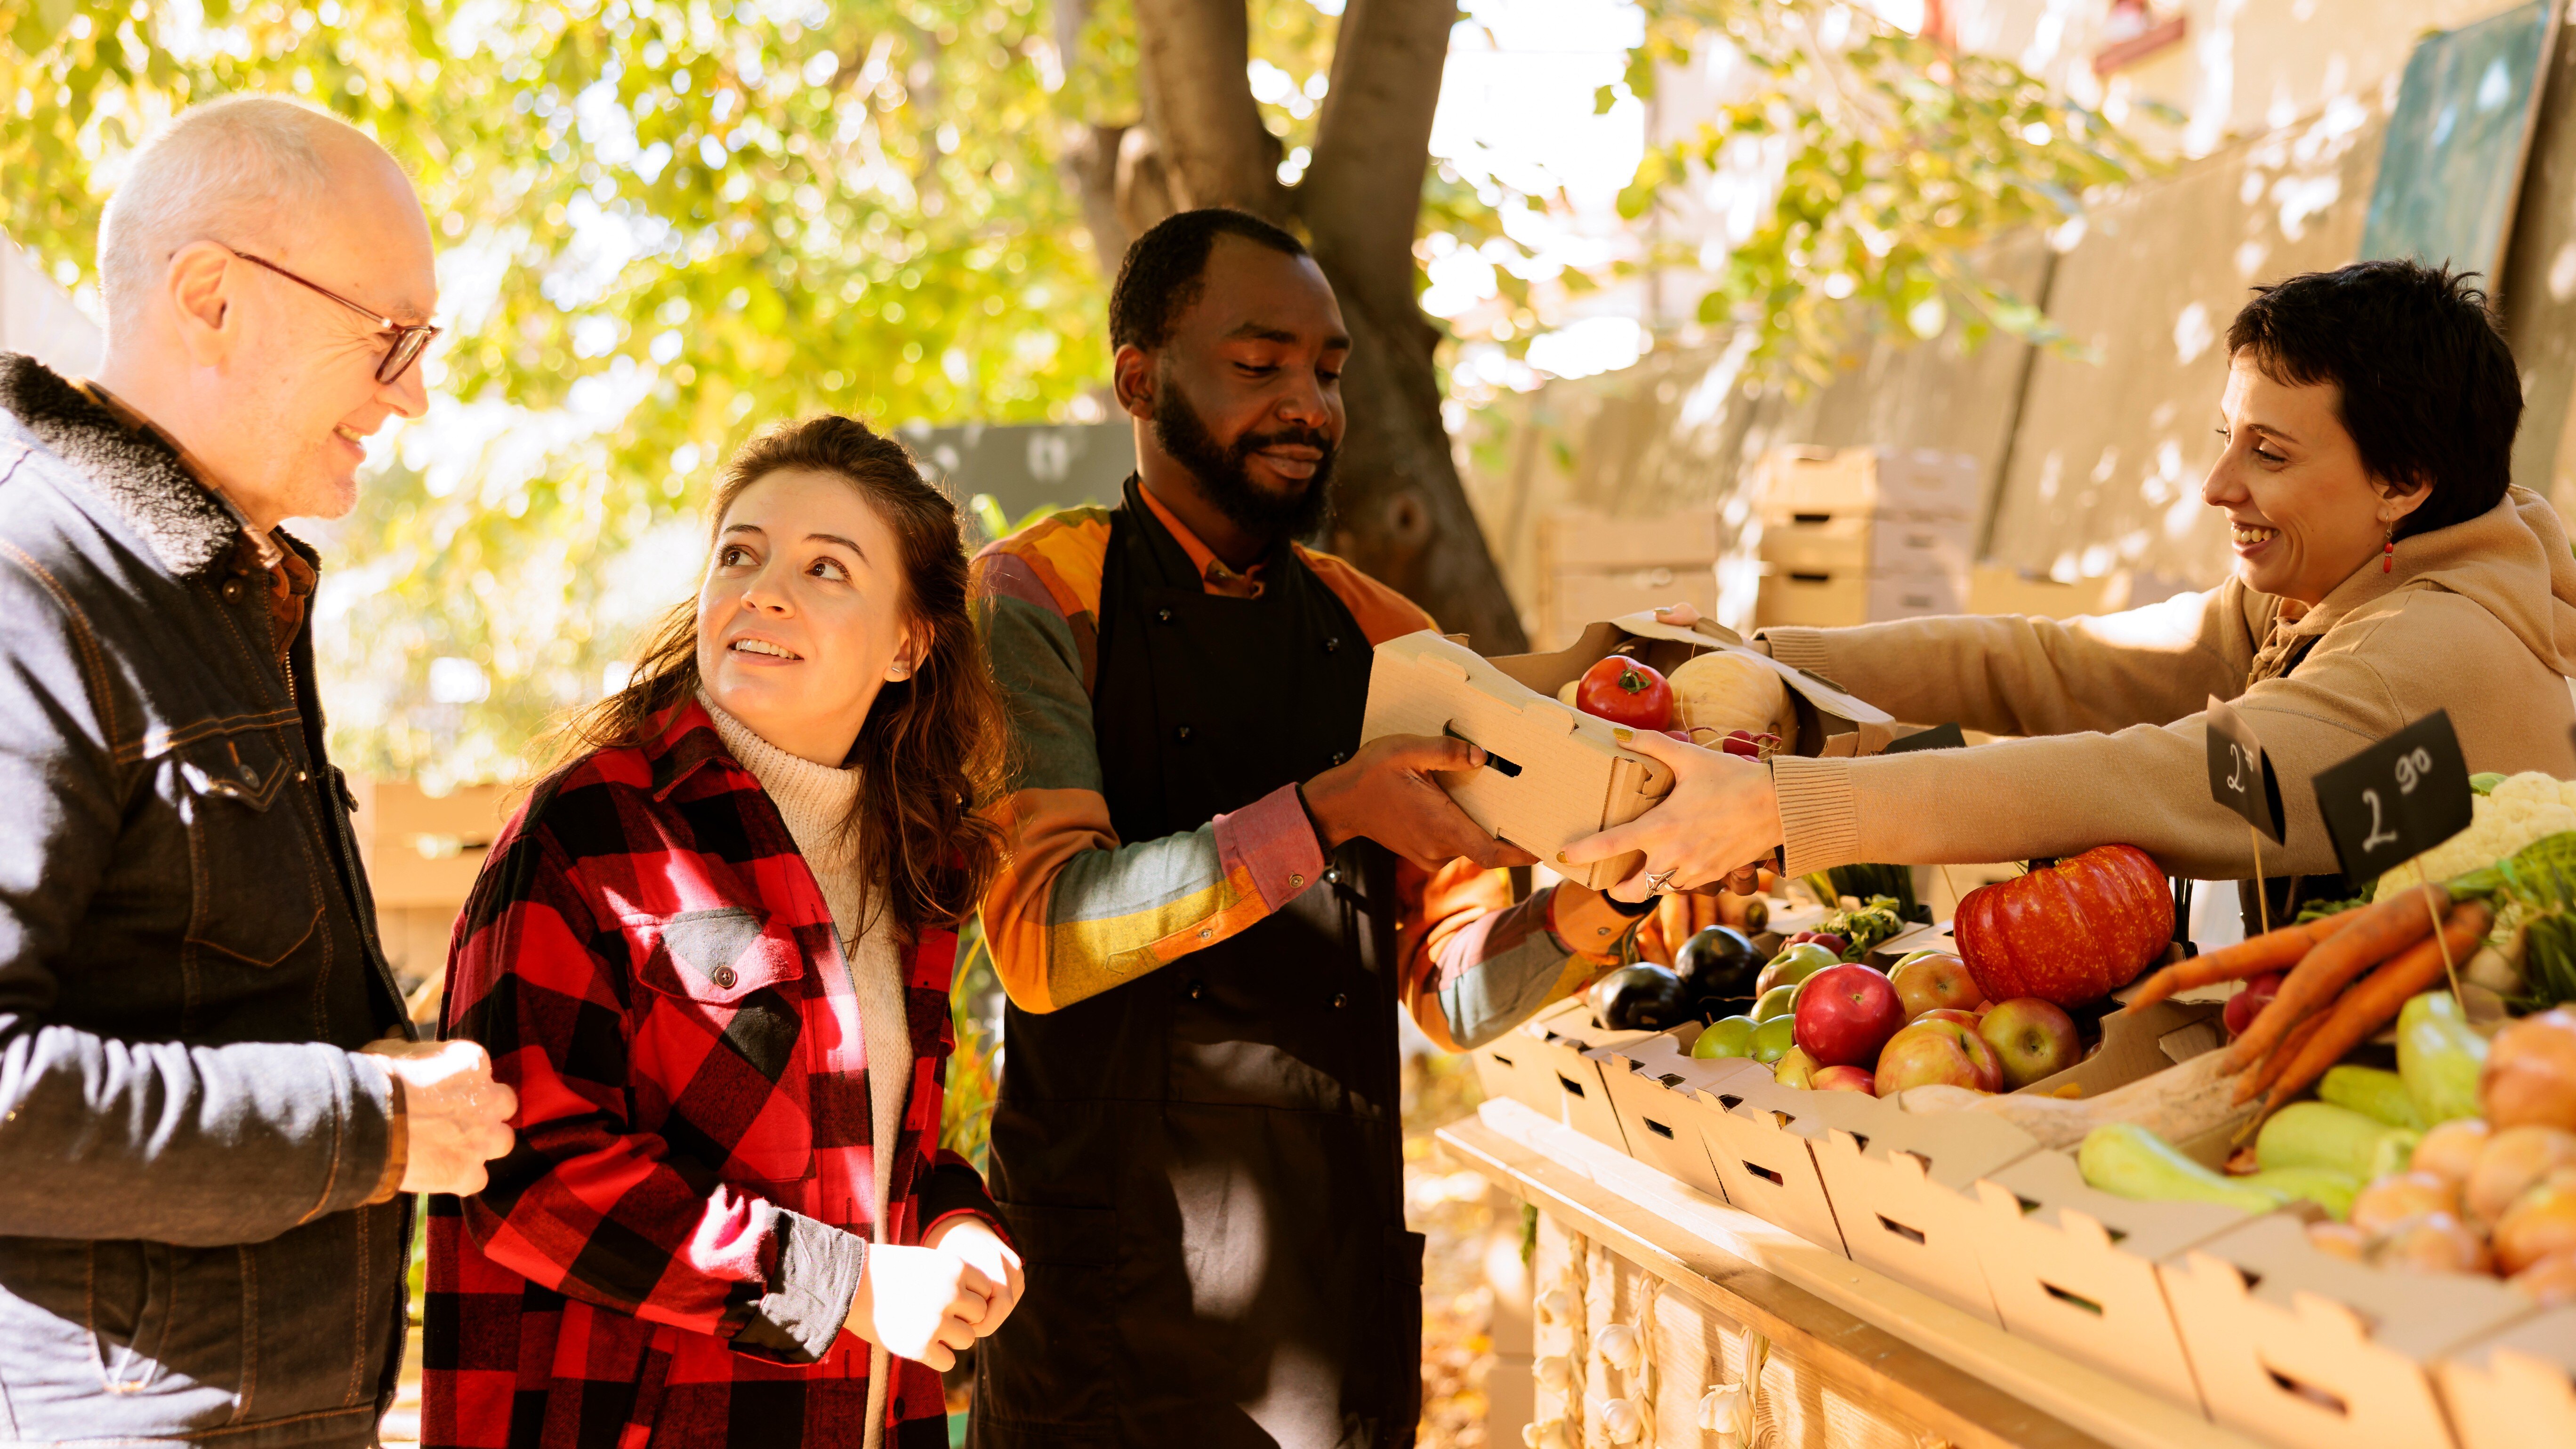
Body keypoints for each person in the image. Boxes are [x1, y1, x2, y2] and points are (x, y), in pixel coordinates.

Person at [966, 208, 1656, 1448]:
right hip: (1100, 1315)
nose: (1310, 403)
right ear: (1140, 377)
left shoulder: (1387, 629)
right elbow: (1043, 932)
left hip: (1327, 1312)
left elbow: (1449, 990)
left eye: (1329, 370)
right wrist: (1328, 806)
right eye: (1260, 361)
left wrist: (1602, 903)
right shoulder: (1036, 595)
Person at [0, 96, 517, 1446]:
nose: (412, 392)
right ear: (212, 296)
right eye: (388, 336)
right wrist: (369, 1121)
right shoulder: (30, 585)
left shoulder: (224, 589)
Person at [1567, 261, 2576, 922]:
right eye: (2225, 437)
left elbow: (2159, 780)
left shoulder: (2421, 659)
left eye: (2268, 453)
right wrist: (1769, 667)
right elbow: (2072, 666)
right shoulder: (2332, 583)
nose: (2219, 487)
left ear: (2402, 482)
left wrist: (1788, 810)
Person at [426, 417, 1023, 1449]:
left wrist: (949, 1221)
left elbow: (872, 1151)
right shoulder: (592, 828)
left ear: (908, 642)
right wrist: (842, 1287)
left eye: (825, 567)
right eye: (738, 554)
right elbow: (526, 1177)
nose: (764, 590)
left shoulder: (923, 868)